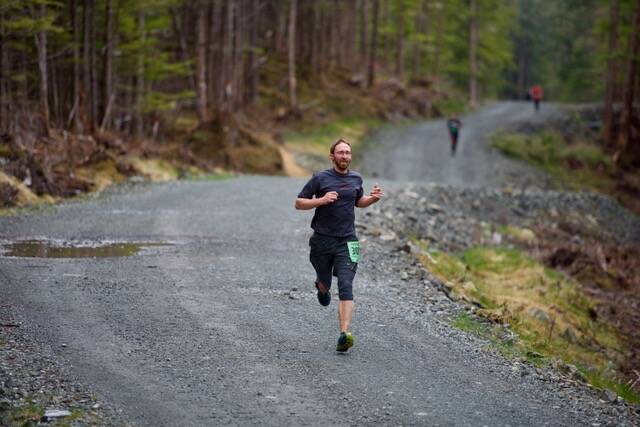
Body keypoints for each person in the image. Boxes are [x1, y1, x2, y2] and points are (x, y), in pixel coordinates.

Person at [295, 138, 383, 352]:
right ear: (332, 156)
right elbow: (299, 203)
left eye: (348, 153)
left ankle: (344, 334)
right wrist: (321, 200)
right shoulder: (320, 178)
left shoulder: (356, 178)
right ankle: (322, 287)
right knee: (325, 283)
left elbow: (358, 201)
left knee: (346, 284)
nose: (345, 156)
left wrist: (371, 199)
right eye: (341, 152)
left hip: (348, 240)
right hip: (322, 240)